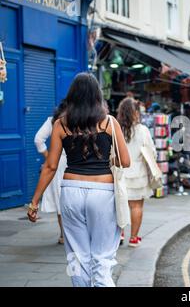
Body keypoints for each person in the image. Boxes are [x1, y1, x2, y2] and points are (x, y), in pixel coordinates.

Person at [27, 73, 130, 287]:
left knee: (76, 255)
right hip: (103, 191)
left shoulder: (60, 124)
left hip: (71, 191)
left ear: (72, 95)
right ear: (97, 96)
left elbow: (51, 166)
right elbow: (125, 161)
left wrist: (34, 202)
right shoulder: (109, 123)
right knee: (101, 259)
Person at [117, 97, 156, 248]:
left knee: (118, 206)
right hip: (138, 173)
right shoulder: (143, 130)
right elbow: (151, 152)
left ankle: (119, 234)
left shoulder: (116, 129)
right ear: (135, 113)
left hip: (119, 173)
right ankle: (133, 238)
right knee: (136, 206)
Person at [34, 100, 68, 245]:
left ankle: (63, 235)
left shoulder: (53, 121)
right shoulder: (77, 119)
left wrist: (49, 157)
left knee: (61, 199)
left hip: (58, 163)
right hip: (73, 162)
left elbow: (38, 140)